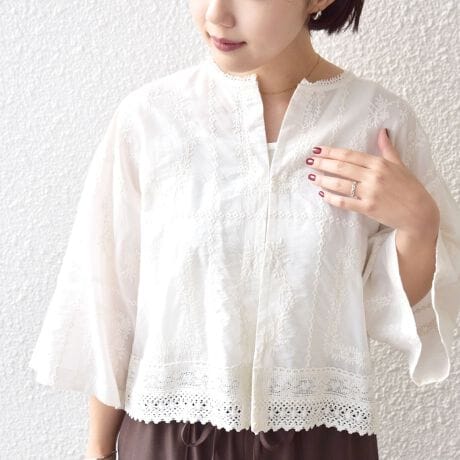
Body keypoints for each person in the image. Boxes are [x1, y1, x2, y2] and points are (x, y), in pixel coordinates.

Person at [28, 0, 460, 459]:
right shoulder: (151, 119)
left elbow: (388, 305)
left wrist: (420, 223)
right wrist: (98, 449)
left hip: (319, 436)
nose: (216, 14)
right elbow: (109, 298)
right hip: (168, 436)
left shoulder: (377, 123)